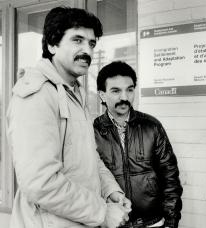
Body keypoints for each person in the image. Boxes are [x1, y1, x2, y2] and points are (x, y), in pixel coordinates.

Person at [7, 7, 131, 228]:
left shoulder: (73, 92)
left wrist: (110, 190)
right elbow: (40, 182)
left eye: (91, 44)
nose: (88, 51)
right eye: (77, 40)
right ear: (52, 45)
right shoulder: (37, 94)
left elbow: (88, 157)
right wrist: (103, 212)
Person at [94, 61, 183, 228]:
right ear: (102, 95)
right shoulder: (92, 132)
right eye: (115, 91)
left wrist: (171, 222)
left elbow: (170, 177)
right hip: (114, 223)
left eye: (129, 89)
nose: (124, 98)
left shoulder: (151, 126)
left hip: (153, 222)